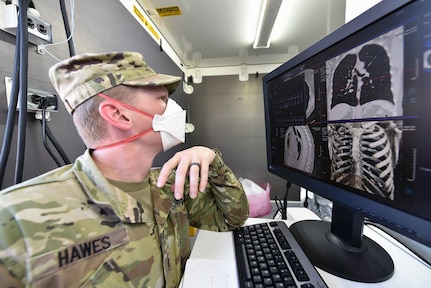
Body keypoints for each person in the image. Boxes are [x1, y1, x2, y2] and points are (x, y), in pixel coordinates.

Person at [0, 51, 249, 287]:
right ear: (118, 115)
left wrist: (211, 160)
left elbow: (230, 219)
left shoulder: (170, 186)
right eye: (162, 99)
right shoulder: (16, 220)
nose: (174, 110)